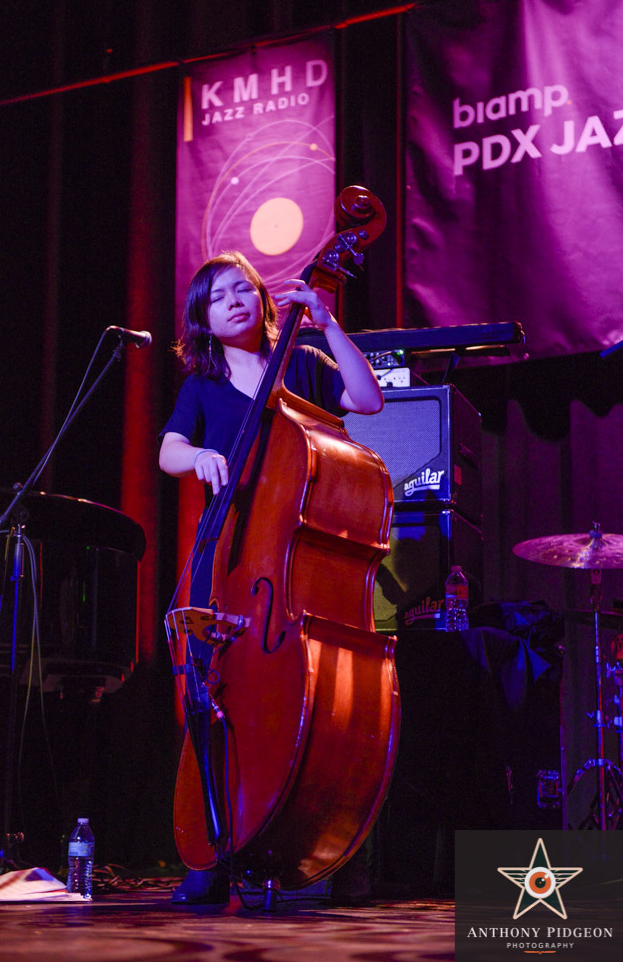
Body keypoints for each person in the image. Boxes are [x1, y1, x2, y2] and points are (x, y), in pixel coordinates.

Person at [159, 250, 383, 904]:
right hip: (224, 558)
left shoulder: (302, 368)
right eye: (216, 295)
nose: (232, 299)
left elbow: (365, 402)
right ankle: (211, 843)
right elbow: (169, 449)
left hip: (284, 578)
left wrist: (327, 324)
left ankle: (293, 844)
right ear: (201, 318)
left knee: (299, 704)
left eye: (242, 289)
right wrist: (200, 454)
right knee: (209, 689)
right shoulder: (200, 384)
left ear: (261, 300)